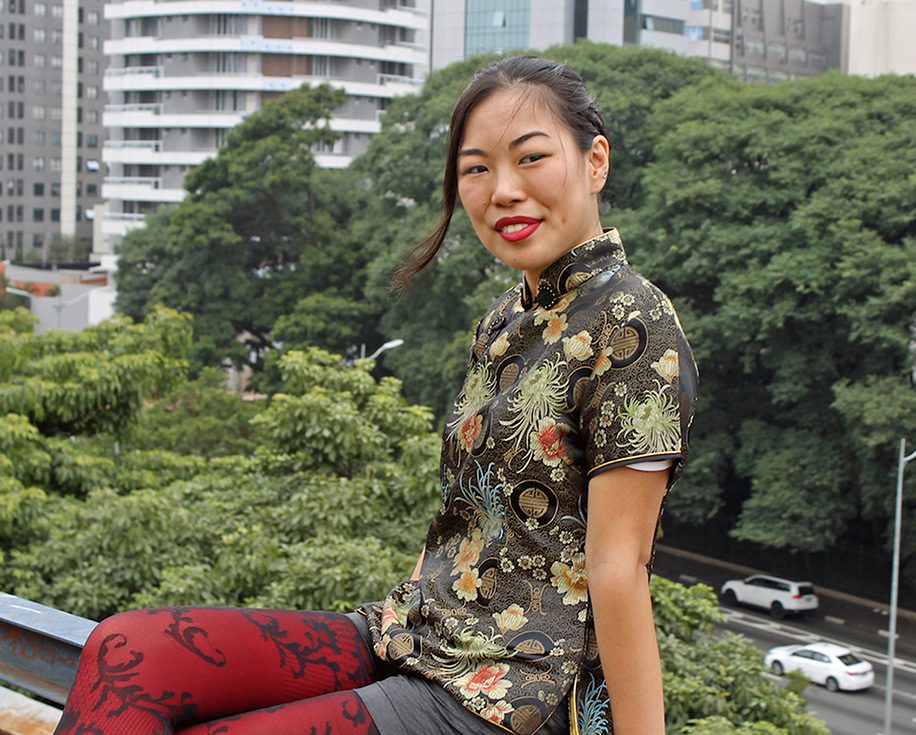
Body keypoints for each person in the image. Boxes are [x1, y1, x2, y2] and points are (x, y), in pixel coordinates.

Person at [53, 55, 697, 735]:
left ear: (594, 161)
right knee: (127, 648)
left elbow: (619, 567)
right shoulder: (506, 316)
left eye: (530, 158)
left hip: (516, 689)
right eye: (475, 168)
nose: (502, 190)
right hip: (415, 635)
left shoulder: (632, 320)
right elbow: (461, 516)